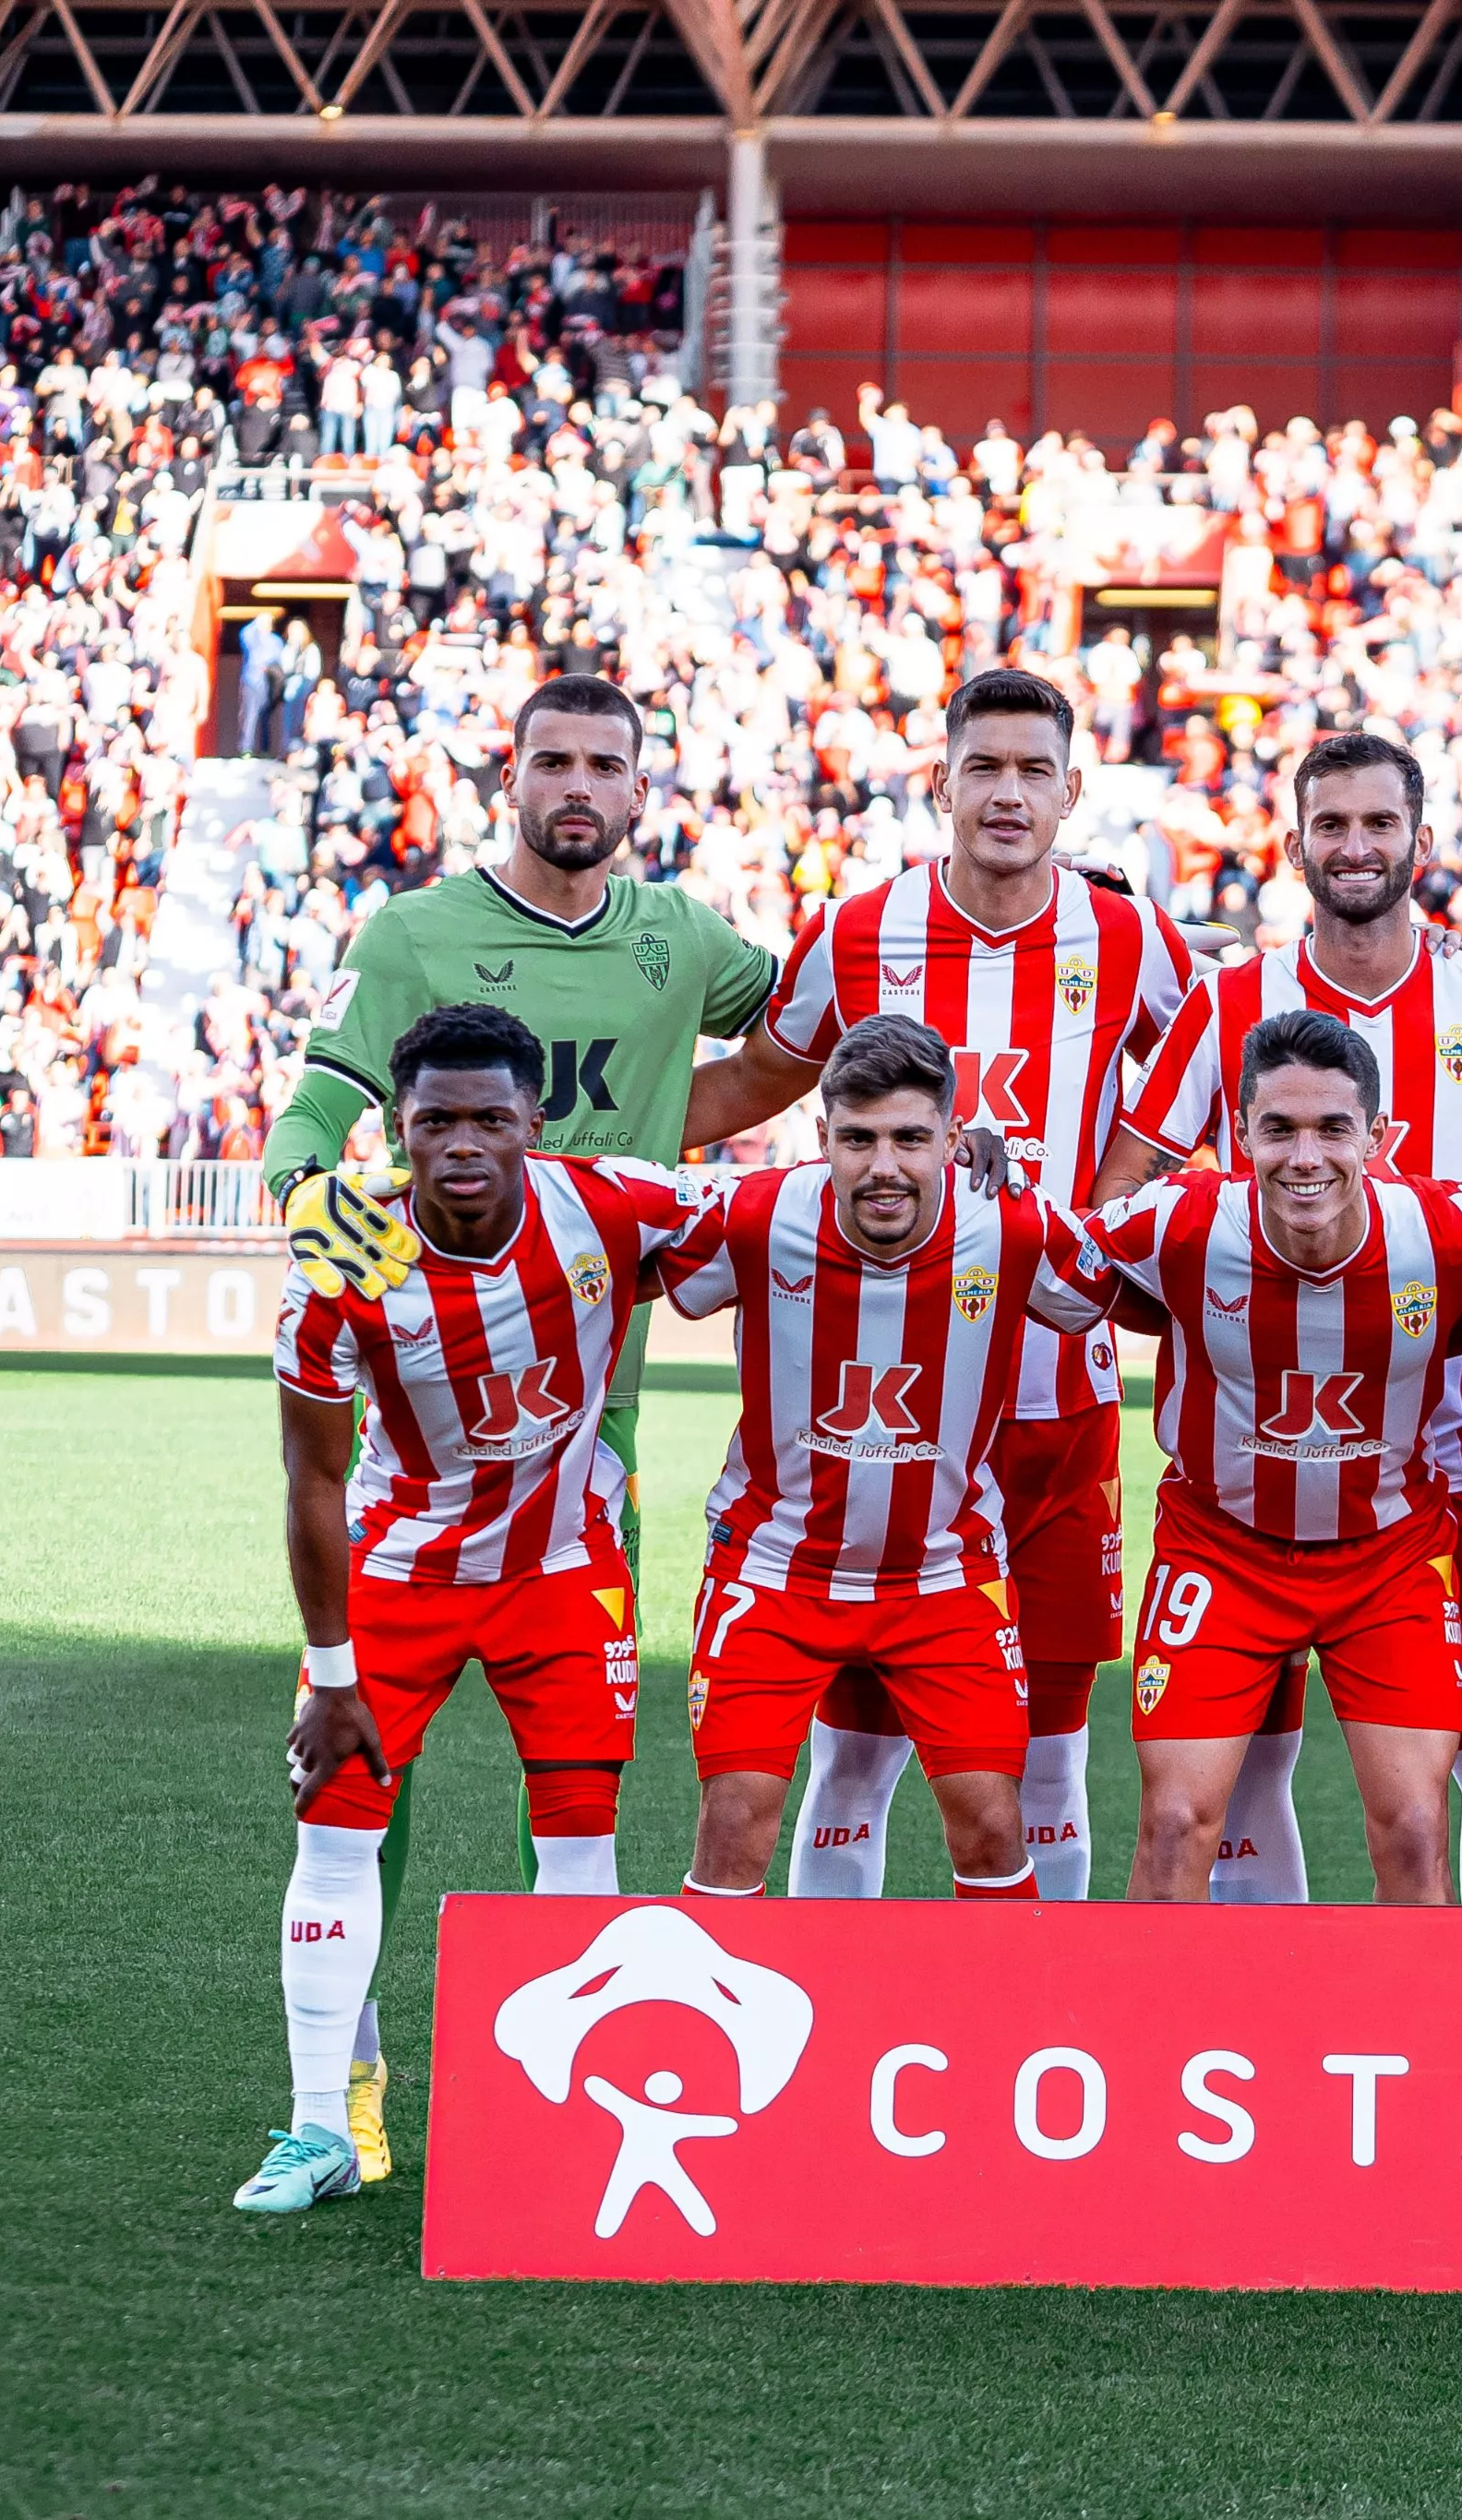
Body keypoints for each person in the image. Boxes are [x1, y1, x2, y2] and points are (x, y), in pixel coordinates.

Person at [262, 672, 776, 2180]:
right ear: (516, 774)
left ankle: (542, 2139)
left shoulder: (683, 938)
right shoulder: (415, 936)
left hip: (585, 1425)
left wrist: (706, 1115)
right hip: (419, 1444)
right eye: (552, 758)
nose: (577, 783)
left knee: (577, 1800)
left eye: (603, 764)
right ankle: (341, 2106)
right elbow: (319, 1109)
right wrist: (326, 1218)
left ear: (636, 788)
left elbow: (801, 1038)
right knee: (364, 1792)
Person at [685, 667, 1196, 1905]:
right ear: (944, 783)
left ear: (1072, 792)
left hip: (1054, 1408)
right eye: (986, 767)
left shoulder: (1129, 936)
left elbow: (1198, 1087)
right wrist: (586, 1150)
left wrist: (1094, 1207)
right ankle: (825, 2020)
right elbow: (761, 1077)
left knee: (1056, 1755)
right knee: (853, 1758)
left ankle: (1041, 2019)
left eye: (1034, 770)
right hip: (884, 1411)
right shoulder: (860, 931)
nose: (1009, 793)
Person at [1092, 728, 1462, 1903]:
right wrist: (1226, 1284)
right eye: (1330, 824)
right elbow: (1118, 1202)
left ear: (1418, 842)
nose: (1354, 846)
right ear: (1294, 847)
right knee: (1244, 1767)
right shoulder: (1233, 1000)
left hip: (1448, 1459)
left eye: (1377, 823)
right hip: (1250, 1453)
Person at [238, 1002, 712, 2215]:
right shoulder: (342, 1273)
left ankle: (558, 2136)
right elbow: (314, 1479)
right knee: (336, 1832)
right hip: (401, 1578)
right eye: (433, 1119)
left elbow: (774, 1219)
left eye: (488, 1117)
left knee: (578, 1834)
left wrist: (944, 1151)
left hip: (562, 1565)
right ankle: (315, 2127)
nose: (461, 1142)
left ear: (531, 1123)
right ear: (398, 1128)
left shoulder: (608, 1204)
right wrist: (330, 1664)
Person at [1066, 1009, 1462, 1904]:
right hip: (1222, 1551)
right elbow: (1035, 1254)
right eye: (1278, 1128)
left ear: (1378, 1137)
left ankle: (1415, 2043)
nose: (1304, 1156)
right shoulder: (1174, 1224)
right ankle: (1152, 2037)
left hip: (1388, 1559)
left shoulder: (1457, 1232)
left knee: (1417, 1828)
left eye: (1331, 1129)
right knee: (1171, 1827)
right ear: (1239, 1135)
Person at [659, 1015, 1109, 1903]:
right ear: (821, 1135)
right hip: (776, 1567)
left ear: (952, 1135)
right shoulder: (752, 1213)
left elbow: (1131, 1279)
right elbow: (617, 1247)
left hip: (942, 1573)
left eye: (911, 1138)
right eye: (858, 1139)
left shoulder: (1012, 1224)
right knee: (735, 1821)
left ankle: (1001, 2034)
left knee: (989, 1821)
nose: (884, 1166)